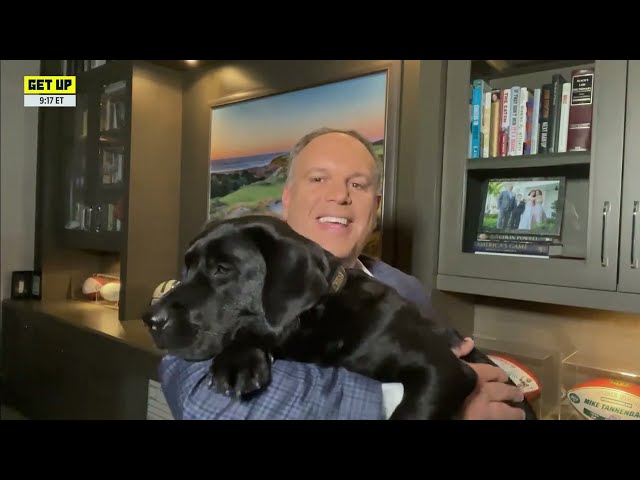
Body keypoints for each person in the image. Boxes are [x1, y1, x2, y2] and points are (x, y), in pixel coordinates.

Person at [159, 127, 526, 420]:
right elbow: (205, 402)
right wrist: (427, 404)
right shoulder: (224, 280)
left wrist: (449, 386)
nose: (339, 195)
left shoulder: (406, 290)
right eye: (319, 179)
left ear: (375, 208)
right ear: (287, 199)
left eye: (358, 184)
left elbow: (447, 367)